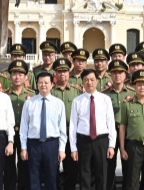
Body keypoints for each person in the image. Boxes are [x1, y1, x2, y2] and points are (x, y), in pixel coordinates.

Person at [69, 69, 116, 190]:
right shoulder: (77, 101)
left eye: (92, 80)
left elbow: (110, 122)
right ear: (82, 82)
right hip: (83, 140)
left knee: (102, 175)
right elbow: (73, 125)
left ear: (97, 81)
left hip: (101, 141)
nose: (89, 82)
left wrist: (111, 145)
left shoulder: (105, 99)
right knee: (85, 174)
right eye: (86, 80)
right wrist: (73, 148)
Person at [20, 72, 67, 190]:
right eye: (40, 82)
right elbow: (24, 127)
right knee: (33, 177)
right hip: (33, 144)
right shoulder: (29, 103)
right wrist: (24, 147)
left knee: (51, 178)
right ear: (37, 84)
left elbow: (62, 129)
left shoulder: (58, 104)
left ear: (52, 84)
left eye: (46, 82)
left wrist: (61, 149)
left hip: (51, 144)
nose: (43, 85)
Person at [101, 60, 133, 190]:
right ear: (110, 75)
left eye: (120, 73)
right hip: (110, 133)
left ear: (125, 75)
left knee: (129, 167)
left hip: (128, 133)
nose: (117, 75)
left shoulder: (133, 93)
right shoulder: (104, 94)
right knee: (109, 166)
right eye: (114, 73)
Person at [50, 58, 81, 190]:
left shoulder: (77, 91)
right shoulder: (50, 91)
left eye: (65, 71)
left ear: (69, 73)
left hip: (71, 131)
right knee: (53, 166)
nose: (62, 74)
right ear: (55, 74)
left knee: (72, 166)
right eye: (59, 71)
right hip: (54, 132)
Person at [4, 60, 34, 190]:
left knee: (24, 165)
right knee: (8, 166)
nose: (17, 77)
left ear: (25, 77)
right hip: (8, 134)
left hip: (25, 134)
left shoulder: (32, 95)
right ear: (10, 76)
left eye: (20, 74)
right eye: (14, 74)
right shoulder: (4, 95)